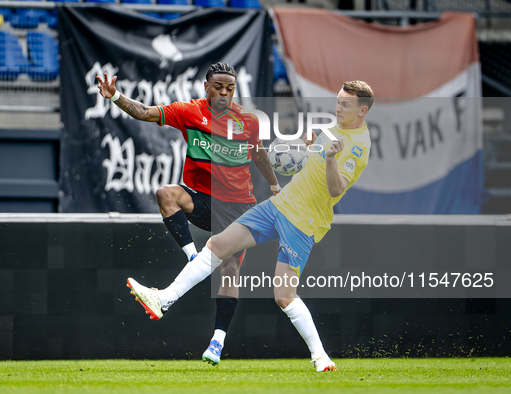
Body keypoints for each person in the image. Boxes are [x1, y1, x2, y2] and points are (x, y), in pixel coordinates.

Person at [126, 81, 374, 371]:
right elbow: (313, 165)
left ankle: (321, 357)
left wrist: (330, 157)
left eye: (345, 104)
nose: (337, 106)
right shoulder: (334, 129)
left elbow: (335, 189)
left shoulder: (359, 147)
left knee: (283, 296)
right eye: (338, 100)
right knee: (217, 245)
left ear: (362, 110)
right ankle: (163, 299)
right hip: (279, 206)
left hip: (303, 221)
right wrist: (310, 148)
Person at [96, 62, 280, 365]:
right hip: (204, 201)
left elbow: (258, 153)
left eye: (230, 88)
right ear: (206, 87)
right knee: (166, 194)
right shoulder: (190, 111)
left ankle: (217, 343)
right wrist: (115, 97)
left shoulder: (247, 121)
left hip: (239, 207)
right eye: (218, 87)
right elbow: (144, 112)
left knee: (230, 270)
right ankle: (193, 258)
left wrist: (273, 184)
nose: (224, 92)